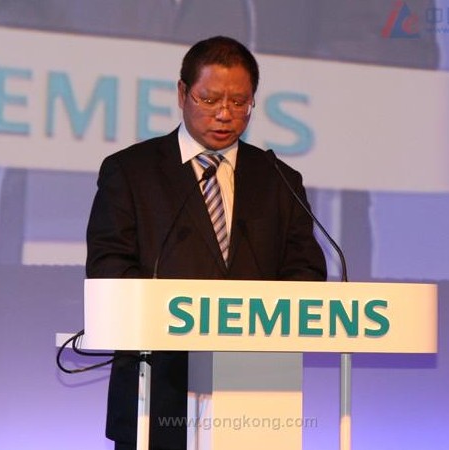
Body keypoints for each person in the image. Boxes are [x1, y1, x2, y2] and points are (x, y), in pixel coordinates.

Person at [85, 35, 327, 450]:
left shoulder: (278, 178)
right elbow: (109, 267)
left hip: (256, 392)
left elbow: (306, 271)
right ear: (183, 94)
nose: (225, 114)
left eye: (239, 102)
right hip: (156, 391)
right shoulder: (131, 171)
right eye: (210, 99)